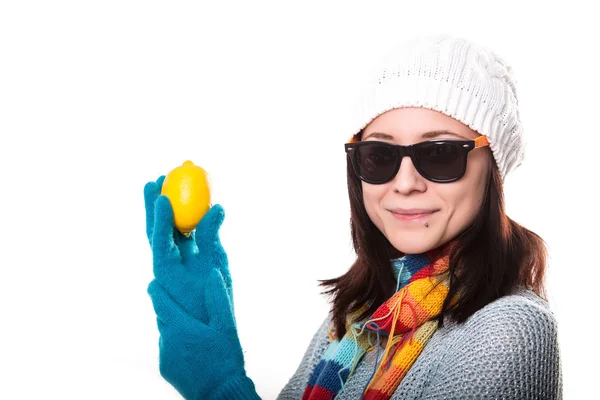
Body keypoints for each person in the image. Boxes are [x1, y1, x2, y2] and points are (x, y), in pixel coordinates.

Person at [143, 34, 562, 400]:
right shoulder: (358, 318)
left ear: (493, 170)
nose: (405, 182)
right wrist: (207, 328)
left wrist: (219, 388)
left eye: (440, 153)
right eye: (380, 155)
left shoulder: (511, 331)